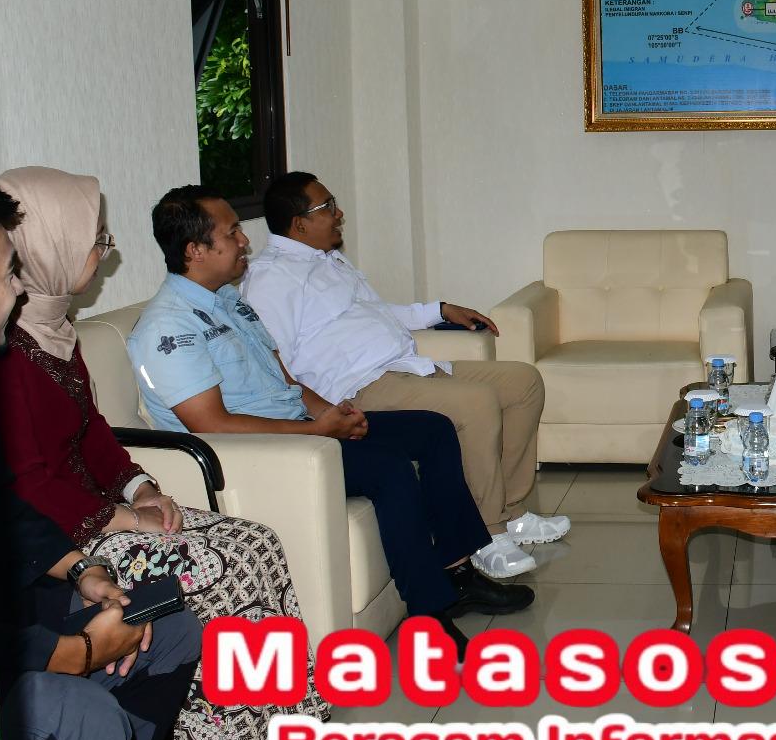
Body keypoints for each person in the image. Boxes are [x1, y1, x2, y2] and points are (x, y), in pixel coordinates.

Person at [0, 167, 337, 740]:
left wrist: (140, 487)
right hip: (66, 536)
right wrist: (122, 517)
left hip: (104, 512)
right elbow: (28, 485)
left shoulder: (54, 329)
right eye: (93, 238)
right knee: (221, 573)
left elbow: (93, 431)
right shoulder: (1, 351)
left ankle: (292, 731)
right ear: (45, 244)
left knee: (256, 543)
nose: (104, 248)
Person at [126, 185, 532, 647]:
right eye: (232, 232)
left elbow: (287, 383)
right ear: (195, 250)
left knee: (432, 429)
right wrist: (318, 431)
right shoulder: (169, 326)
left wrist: (334, 414)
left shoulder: (230, 301)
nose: (245, 241)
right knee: (388, 469)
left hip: (300, 432)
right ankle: (428, 615)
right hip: (256, 454)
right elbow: (212, 425)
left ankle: (457, 572)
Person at [0, 179, 202, 740]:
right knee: (83, 713)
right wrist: (76, 653)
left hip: (30, 579)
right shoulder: (2, 363)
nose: (19, 287)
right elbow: (29, 487)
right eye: (8, 272)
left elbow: (1, 512)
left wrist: (84, 569)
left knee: (172, 625)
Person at [240, 172, 562, 577]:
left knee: (522, 382)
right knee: (476, 402)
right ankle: (486, 534)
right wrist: (319, 413)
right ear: (299, 223)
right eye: (328, 207)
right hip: (359, 385)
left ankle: (510, 511)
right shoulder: (270, 278)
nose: (339, 214)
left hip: (405, 366)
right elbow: (274, 360)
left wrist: (439, 310)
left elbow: (378, 312)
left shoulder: (328, 259)